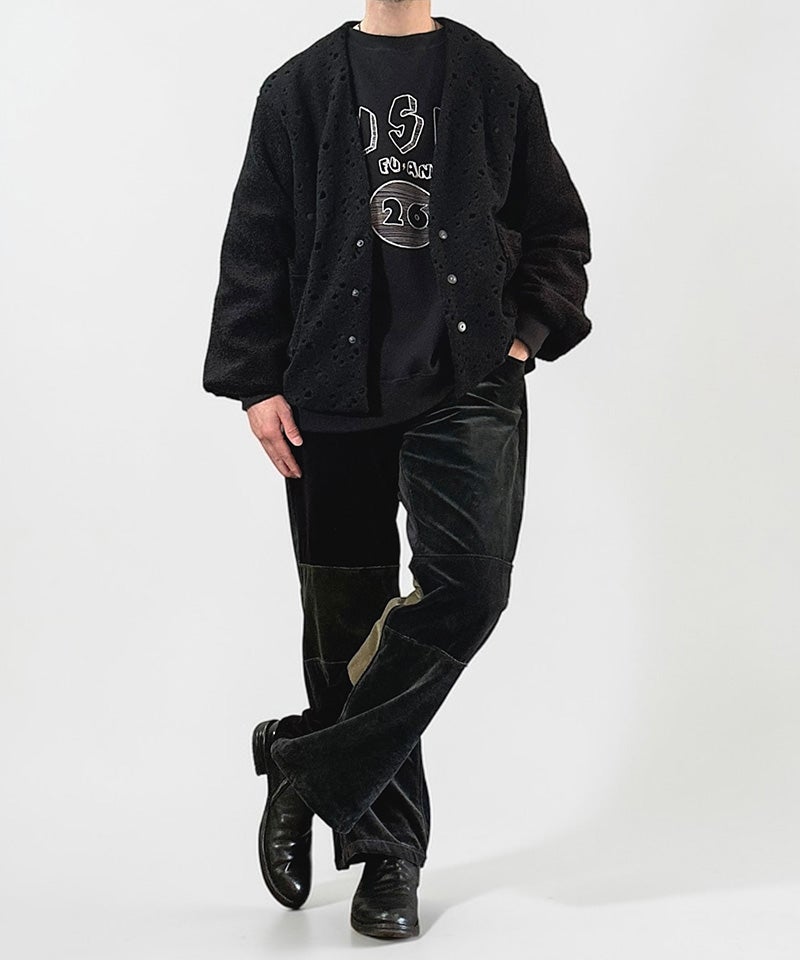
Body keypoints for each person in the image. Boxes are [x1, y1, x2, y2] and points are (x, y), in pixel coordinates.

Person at [203, 0, 592, 941]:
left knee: (471, 587)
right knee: (346, 619)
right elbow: (256, 240)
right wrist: (255, 380)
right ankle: (389, 857)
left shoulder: (496, 82)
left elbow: (558, 229)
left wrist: (522, 337)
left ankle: (304, 763)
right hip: (329, 392)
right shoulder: (296, 90)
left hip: (467, 381)